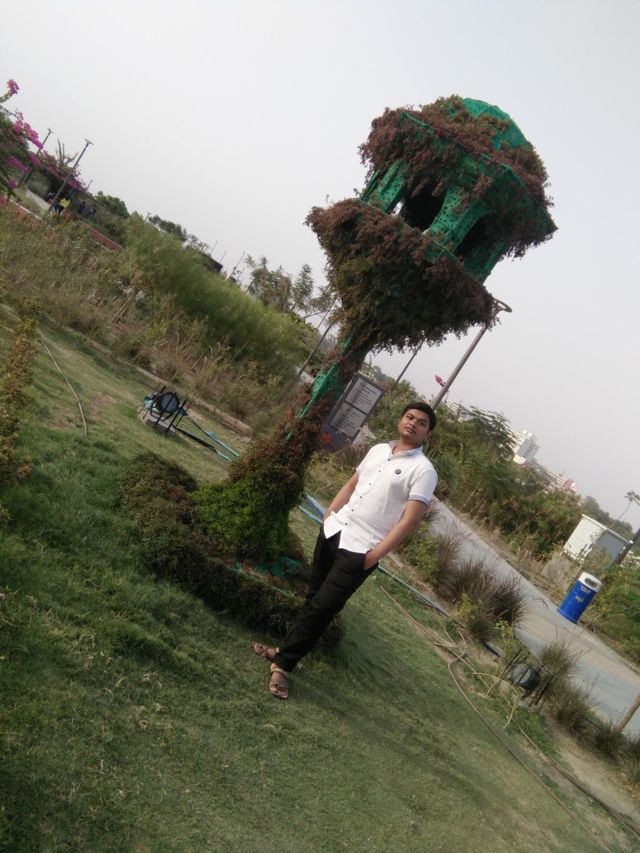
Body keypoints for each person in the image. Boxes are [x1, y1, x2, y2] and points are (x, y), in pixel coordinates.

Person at [252, 401, 438, 699]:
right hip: (334, 531)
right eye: (410, 417)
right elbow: (353, 483)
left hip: (361, 549)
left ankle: (283, 664)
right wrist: (329, 514)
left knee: (323, 607)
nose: (413, 424)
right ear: (400, 420)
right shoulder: (378, 449)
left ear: (427, 433)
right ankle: (284, 651)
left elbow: (409, 521)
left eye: (421, 423)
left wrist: (374, 557)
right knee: (314, 598)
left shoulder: (424, 470)